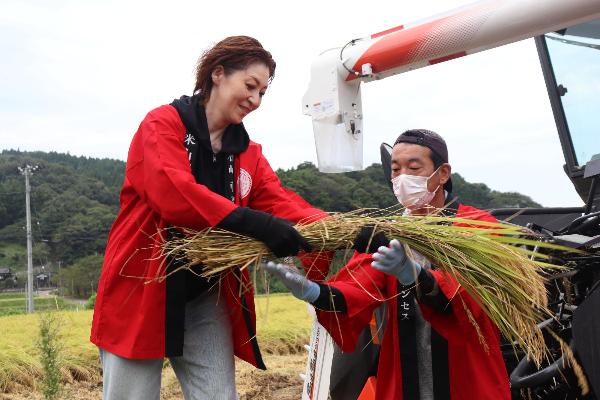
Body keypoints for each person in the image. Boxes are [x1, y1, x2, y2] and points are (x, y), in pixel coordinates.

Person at [90, 36, 331, 400]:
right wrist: (255, 223)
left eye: (263, 93)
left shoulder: (247, 153)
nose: (255, 99)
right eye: (250, 86)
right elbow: (173, 192)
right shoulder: (162, 125)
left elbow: (284, 205)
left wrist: (345, 230)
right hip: (142, 287)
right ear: (217, 74)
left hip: (207, 292)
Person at [266, 129, 511, 399]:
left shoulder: (477, 229)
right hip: (405, 380)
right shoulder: (390, 234)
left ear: (443, 173)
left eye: (413, 167)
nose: (402, 177)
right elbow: (359, 288)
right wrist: (315, 292)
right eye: (396, 169)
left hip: (468, 381)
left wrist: (416, 276)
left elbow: (468, 297)